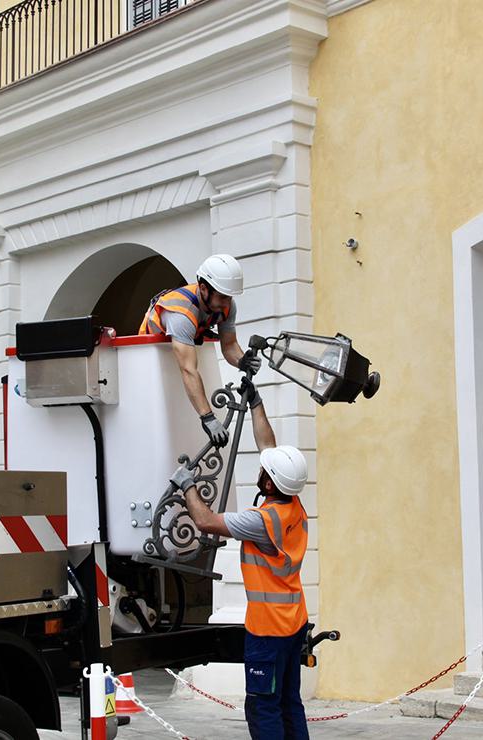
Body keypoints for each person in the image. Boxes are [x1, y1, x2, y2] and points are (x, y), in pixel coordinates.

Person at [170, 384, 310, 740]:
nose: (260, 471)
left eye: (264, 471)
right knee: (289, 702)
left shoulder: (261, 521)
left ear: (270, 481)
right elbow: (269, 447)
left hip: (268, 630)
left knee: (263, 706)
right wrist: (257, 403)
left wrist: (187, 484)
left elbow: (205, 521)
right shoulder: (293, 506)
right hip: (294, 624)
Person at [139, 254, 260, 448]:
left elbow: (229, 346)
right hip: (150, 360)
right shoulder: (181, 313)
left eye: (229, 297)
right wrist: (208, 418)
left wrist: (242, 361)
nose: (226, 303)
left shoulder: (226, 305)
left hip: (182, 357)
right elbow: (188, 370)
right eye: (222, 297)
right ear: (203, 288)